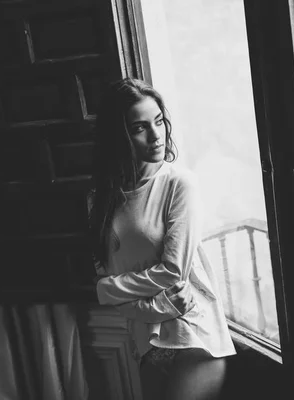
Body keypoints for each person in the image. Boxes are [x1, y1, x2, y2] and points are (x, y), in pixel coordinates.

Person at [88, 78, 236, 400]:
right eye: (139, 127)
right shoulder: (100, 199)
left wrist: (107, 290)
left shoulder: (179, 183)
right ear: (119, 136)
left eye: (158, 121)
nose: (157, 135)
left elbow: (172, 272)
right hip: (147, 341)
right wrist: (157, 307)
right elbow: (105, 275)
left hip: (192, 334)